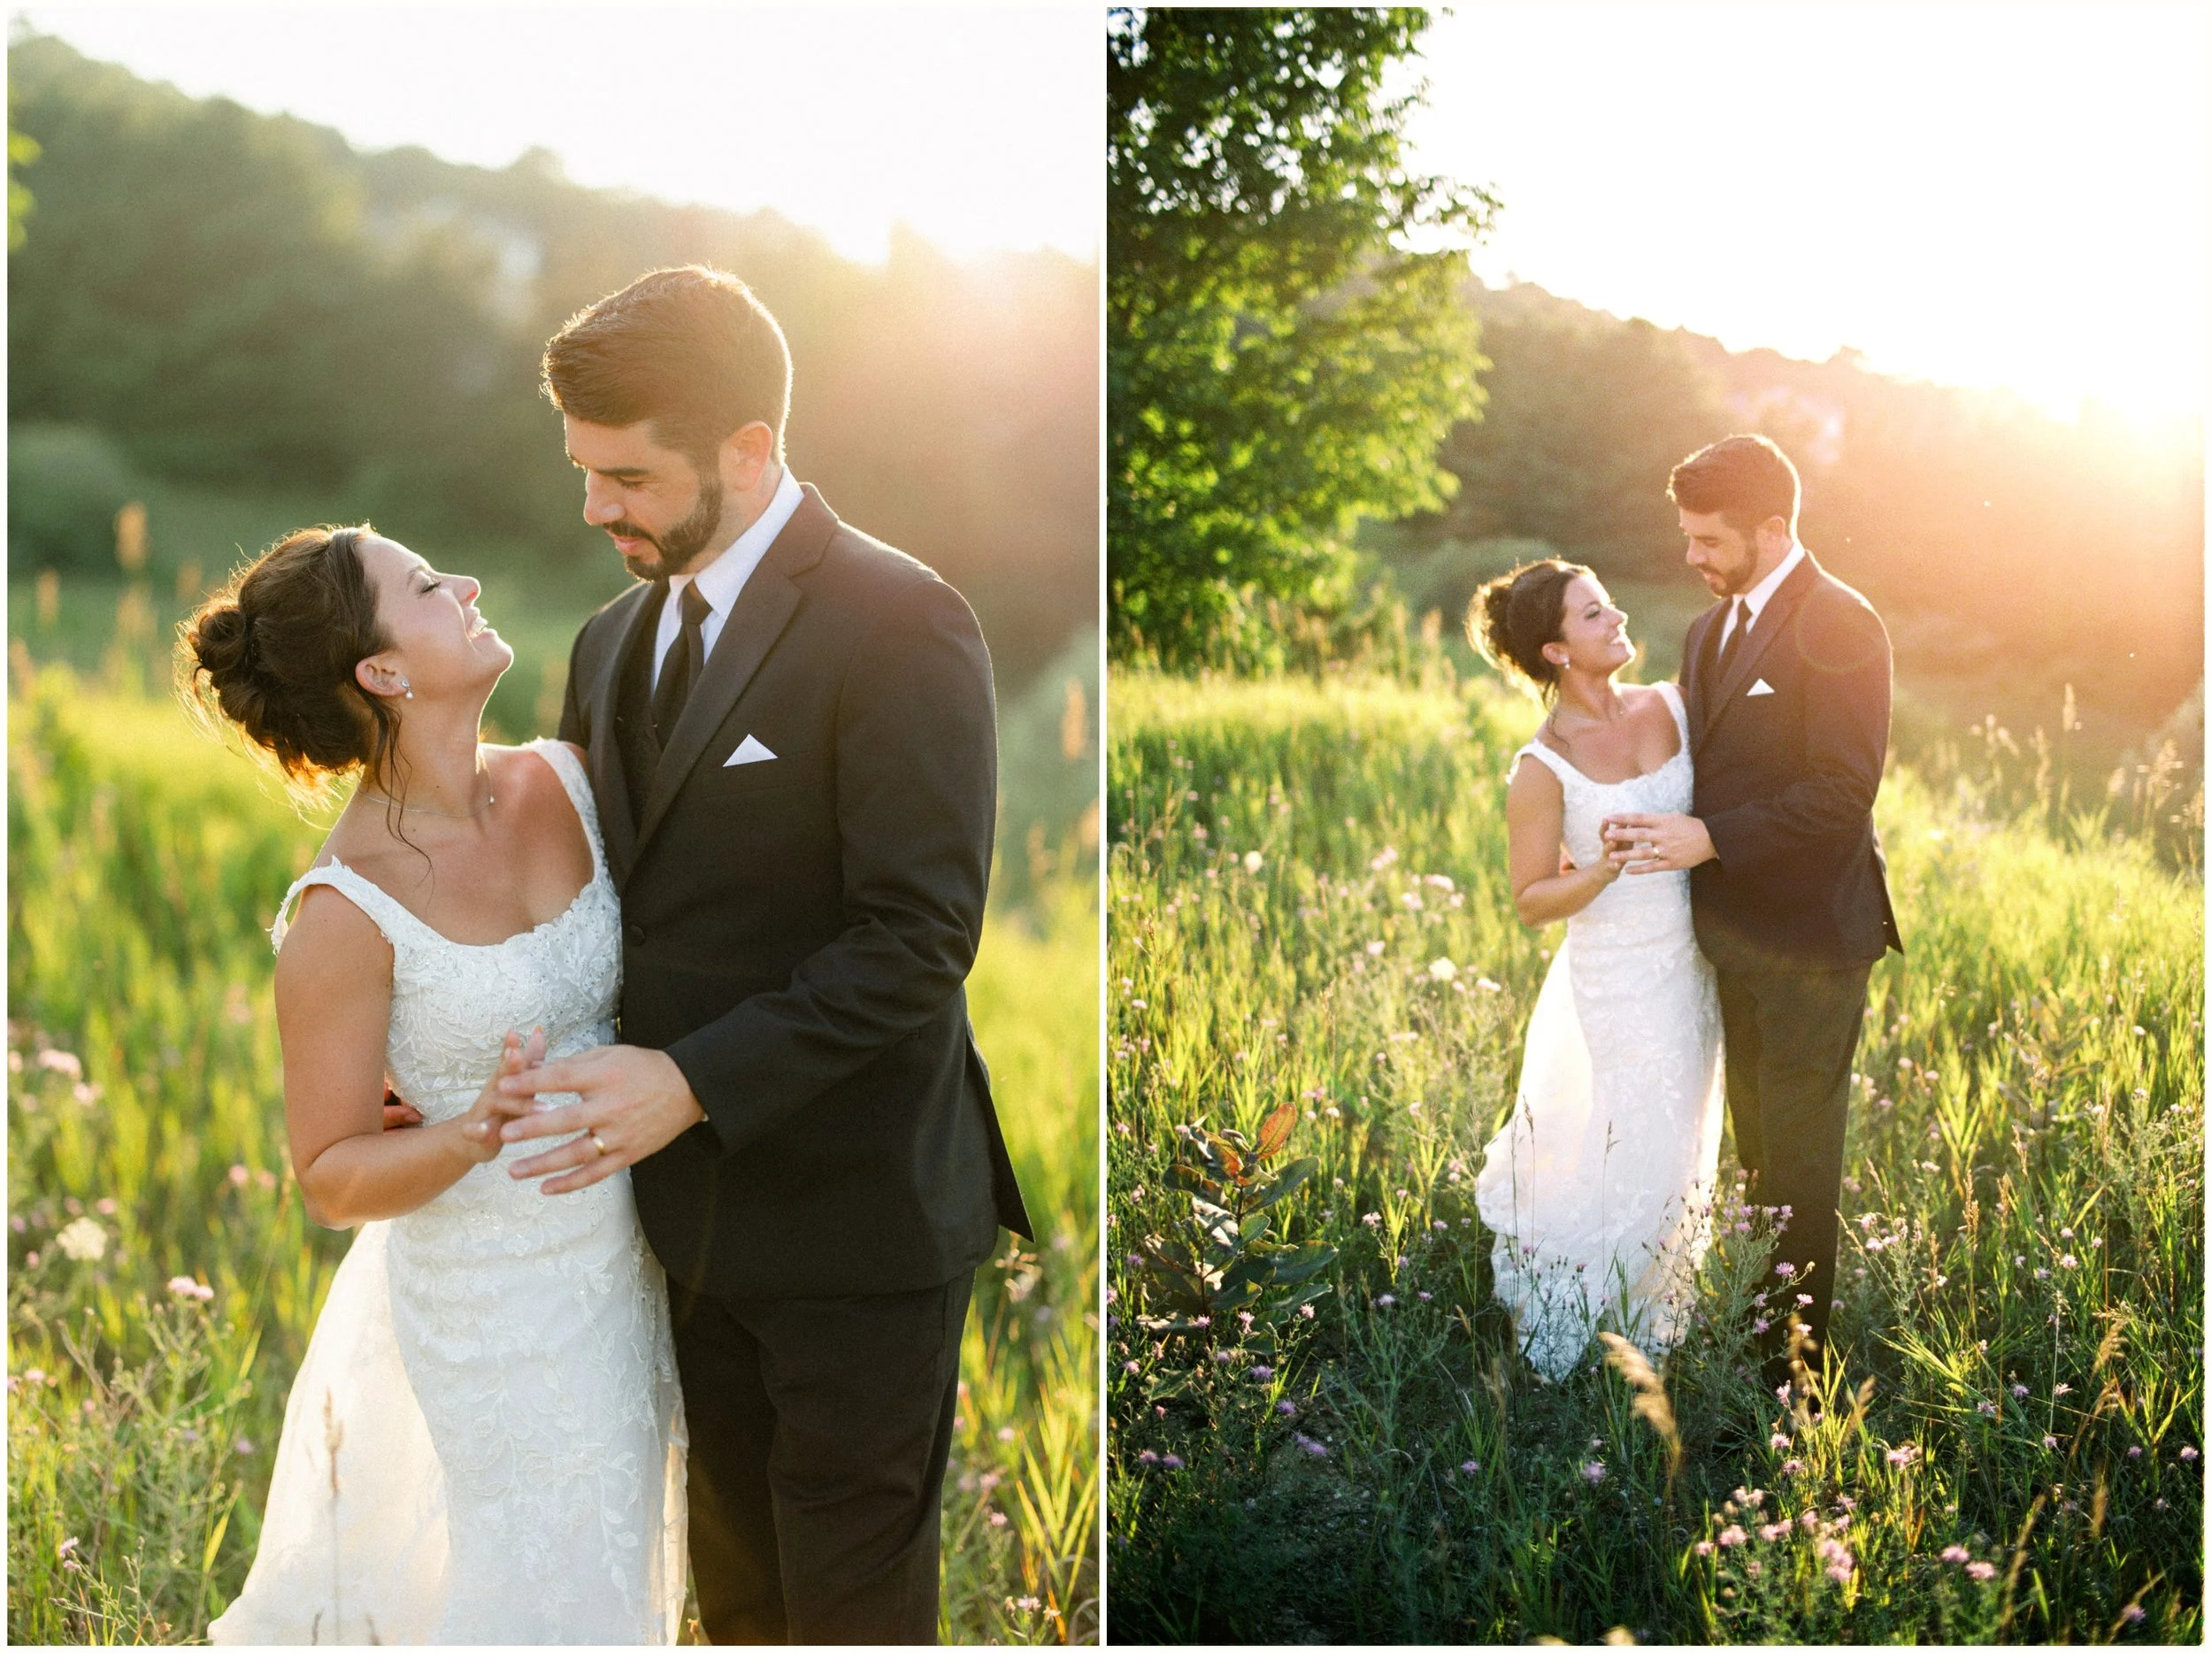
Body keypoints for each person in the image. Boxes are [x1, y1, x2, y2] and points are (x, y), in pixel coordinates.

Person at [493, 265, 1033, 1644]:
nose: (598, 507)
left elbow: (919, 937)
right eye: (584, 474)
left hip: (860, 1220)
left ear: (750, 450)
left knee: (850, 1611)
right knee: (734, 1600)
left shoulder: (900, 620)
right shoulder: (610, 640)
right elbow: (602, 908)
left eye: (629, 476)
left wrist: (691, 1081)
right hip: (679, 1228)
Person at [185, 526, 686, 1643]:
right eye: (423, 585)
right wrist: (467, 1130)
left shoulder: (570, 777)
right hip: (494, 1313)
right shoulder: (343, 911)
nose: (464, 583)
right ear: (383, 671)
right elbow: (328, 1176)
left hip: (636, 1272)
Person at [1604, 434, 1902, 1393]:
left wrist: (1710, 837)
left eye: (1709, 539)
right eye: (1687, 537)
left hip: (1816, 937)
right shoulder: (1706, 631)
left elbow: (1841, 790)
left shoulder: (1843, 620)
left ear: (1773, 528)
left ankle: (1798, 1379)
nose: (1691, 556)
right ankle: (1755, 1337)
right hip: (1730, 935)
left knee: (1800, 1160)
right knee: (1752, 1148)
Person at [1470, 559, 1726, 1382]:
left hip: (1698, 961)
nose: (1616, 619)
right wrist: (1602, 872)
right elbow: (1532, 899)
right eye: (1592, 616)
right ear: (1554, 650)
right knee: (1636, 1139)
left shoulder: (1672, 704)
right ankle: (1601, 1326)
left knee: (1684, 1134)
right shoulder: (1542, 768)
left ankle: (1662, 1307)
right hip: (1618, 972)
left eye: (1610, 604)